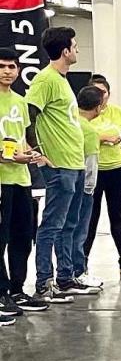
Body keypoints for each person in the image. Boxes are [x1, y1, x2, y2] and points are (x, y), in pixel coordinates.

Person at [25, 26, 88, 302]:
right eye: (74, 46)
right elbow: (29, 115)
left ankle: (65, 277)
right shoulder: (46, 80)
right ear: (65, 51)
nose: (77, 50)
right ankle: (43, 281)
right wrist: (37, 151)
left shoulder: (62, 81)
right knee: (52, 224)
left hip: (74, 162)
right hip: (58, 164)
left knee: (69, 223)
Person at [0, 47, 50, 317]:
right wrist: (8, 156)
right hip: (2, 179)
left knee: (23, 236)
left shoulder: (20, 102)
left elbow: (23, 136)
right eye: (2, 66)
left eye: (12, 66)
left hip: (22, 179)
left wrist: (33, 153)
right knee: (1, 238)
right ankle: (1, 293)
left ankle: (17, 289)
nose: (8, 71)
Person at [82, 75, 121, 278]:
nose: (101, 98)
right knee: (90, 217)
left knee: (117, 216)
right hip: (94, 171)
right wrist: (102, 137)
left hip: (118, 170)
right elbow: (77, 135)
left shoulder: (118, 112)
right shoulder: (81, 115)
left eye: (104, 93)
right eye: (96, 93)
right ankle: (82, 262)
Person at [69, 85, 104, 291]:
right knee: (80, 231)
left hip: (67, 183)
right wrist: (89, 190)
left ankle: (68, 271)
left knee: (67, 230)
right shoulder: (89, 130)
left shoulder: (71, 122)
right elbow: (90, 164)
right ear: (98, 107)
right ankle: (78, 272)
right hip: (83, 187)